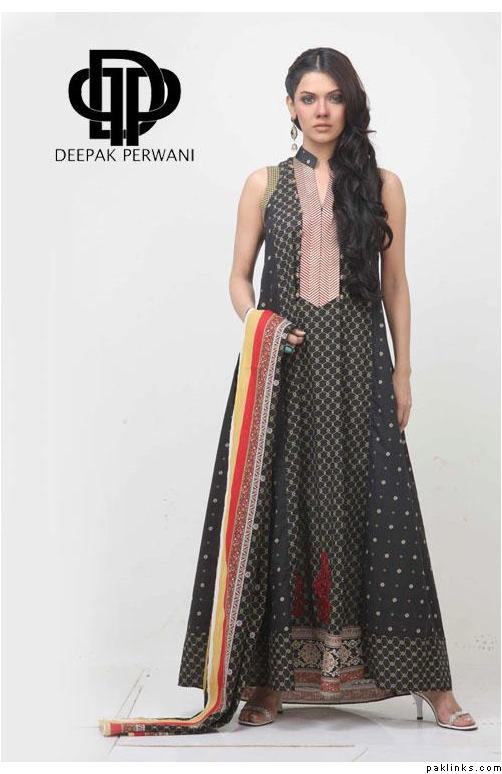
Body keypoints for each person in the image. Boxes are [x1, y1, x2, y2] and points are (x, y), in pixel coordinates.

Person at [99, 47, 476, 737]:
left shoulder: (382, 185)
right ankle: (267, 682)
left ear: (350, 103)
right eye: (309, 98)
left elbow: (395, 284)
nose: (321, 110)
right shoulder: (264, 183)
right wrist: (262, 327)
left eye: (333, 97)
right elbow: (238, 277)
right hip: (284, 367)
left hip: (360, 365)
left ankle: (433, 683)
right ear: (290, 106)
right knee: (278, 508)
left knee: (382, 509)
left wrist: (403, 372)